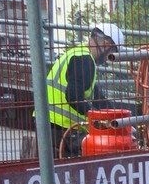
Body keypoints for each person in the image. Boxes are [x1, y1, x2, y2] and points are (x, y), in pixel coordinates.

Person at [46, 21, 123, 157]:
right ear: (106, 45)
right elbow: (73, 96)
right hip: (59, 128)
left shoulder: (78, 53)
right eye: (110, 53)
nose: (107, 59)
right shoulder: (84, 60)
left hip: (50, 124)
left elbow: (97, 97)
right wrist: (96, 118)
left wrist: (116, 116)